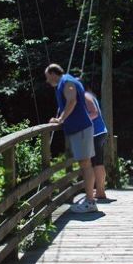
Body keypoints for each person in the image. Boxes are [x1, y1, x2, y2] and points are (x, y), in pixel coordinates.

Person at [45, 63, 97, 213]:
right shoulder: (68, 81)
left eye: (48, 77)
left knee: (85, 164)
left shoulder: (67, 82)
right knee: (85, 164)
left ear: (54, 73)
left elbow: (72, 101)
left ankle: (90, 201)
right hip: (80, 129)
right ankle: (90, 200)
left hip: (81, 128)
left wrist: (60, 119)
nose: (48, 81)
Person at [83, 85, 108, 200]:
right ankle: (100, 190)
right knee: (99, 163)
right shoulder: (91, 96)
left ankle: (100, 191)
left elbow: (94, 114)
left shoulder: (85, 96)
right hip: (100, 132)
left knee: (95, 164)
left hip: (95, 133)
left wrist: (80, 120)